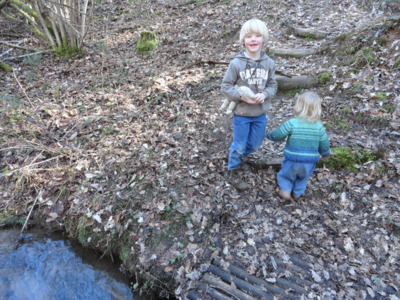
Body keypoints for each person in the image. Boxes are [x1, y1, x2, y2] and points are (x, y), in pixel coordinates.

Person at [221, 18, 278, 191]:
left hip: (260, 113)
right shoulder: (236, 63)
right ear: (243, 40)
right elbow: (225, 86)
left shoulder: (269, 63)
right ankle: (232, 170)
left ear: (264, 39)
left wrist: (265, 94)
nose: (253, 39)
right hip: (242, 113)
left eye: (257, 36)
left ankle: (238, 157)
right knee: (239, 144)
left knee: (254, 144)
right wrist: (240, 96)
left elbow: (273, 85)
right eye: (249, 36)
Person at [267, 91, 331, 200]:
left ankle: (286, 191)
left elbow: (278, 134)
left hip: (292, 159)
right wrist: (325, 153)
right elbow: (324, 143)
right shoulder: (319, 126)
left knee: (286, 175)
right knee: (303, 179)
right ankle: (297, 193)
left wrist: (270, 135)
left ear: (299, 105)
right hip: (309, 162)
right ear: (317, 108)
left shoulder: (293, 122)